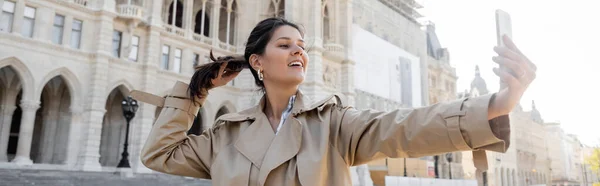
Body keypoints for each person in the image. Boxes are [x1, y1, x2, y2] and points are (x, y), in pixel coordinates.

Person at [134, 17, 536, 186]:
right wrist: (194, 93)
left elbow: (405, 128)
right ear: (257, 62)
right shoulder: (224, 137)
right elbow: (160, 154)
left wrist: (497, 104)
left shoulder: (333, 122)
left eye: (302, 46)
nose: (300, 52)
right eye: (286, 45)